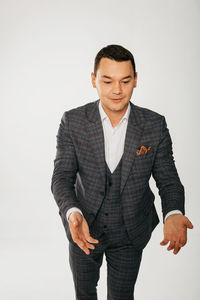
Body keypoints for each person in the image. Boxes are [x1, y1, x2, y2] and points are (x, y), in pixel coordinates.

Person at [51, 44, 193, 300]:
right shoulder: (72, 122)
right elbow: (61, 177)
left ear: (135, 81)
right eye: (107, 81)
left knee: (122, 296)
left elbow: (169, 180)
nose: (117, 90)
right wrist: (72, 213)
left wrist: (173, 212)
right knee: (84, 294)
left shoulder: (154, 125)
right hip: (83, 228)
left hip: (131, 230)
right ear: (94, 80)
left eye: (125, 81)